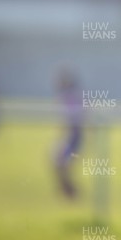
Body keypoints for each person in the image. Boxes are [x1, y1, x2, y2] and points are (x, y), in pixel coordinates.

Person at [53, 67, 83, 199]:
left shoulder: (72, 96)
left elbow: (77, 118)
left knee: (62, 163)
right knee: (58, 163)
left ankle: (71, 193)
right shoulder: (66, 96)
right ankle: (68, 192)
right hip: (69, 135)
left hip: (74, 135)